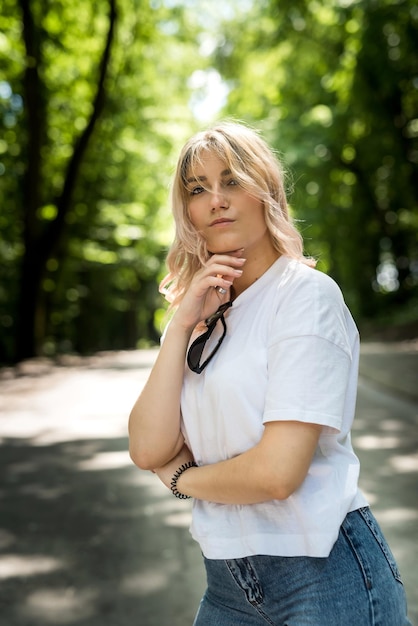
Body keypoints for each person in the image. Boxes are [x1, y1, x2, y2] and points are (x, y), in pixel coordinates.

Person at [128, 121, 411, 625]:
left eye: (232, 180)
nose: (216, 199)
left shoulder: (304, 297)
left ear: (267, 191)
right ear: (188, 211)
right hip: (226, 583)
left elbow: (277, 473)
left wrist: (182, 478)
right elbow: (148, 448)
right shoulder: (204, 314)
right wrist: (180, 326)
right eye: (198, 189)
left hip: (326, 577)